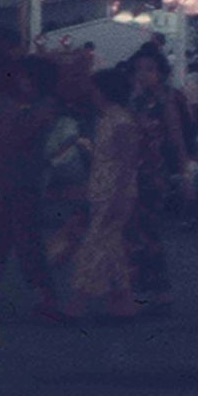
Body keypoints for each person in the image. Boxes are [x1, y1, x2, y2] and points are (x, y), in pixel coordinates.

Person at [0, 54, 64, 319]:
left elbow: (12, 139)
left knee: (22, 242)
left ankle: (46, 297)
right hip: (14, 179)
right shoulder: (28, 105)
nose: (20, 81)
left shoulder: (41, 107)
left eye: (25, 77)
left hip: (22, 181)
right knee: (0, 242)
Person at [64, 68, 143, 320]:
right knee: (110, 246)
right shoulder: (108, 118)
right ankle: (123, 303)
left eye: (95, 89)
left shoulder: (120, 121)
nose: (92, 94)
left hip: (114, 192)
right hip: (103, 190)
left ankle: (77, 302)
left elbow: (128, 162)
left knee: (94, 245)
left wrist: (120, 195)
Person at [125, 47, 193, 307]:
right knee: (136, 230)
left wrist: (184, 172)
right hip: (133, 170)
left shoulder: (166, 99)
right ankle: (146, 288)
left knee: (148, 231)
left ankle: (158, 290)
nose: (143, 75)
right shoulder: (135, 99)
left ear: (161, 73)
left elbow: (176, 137)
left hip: (154, 173)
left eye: (150, 69)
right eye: (139, 70)